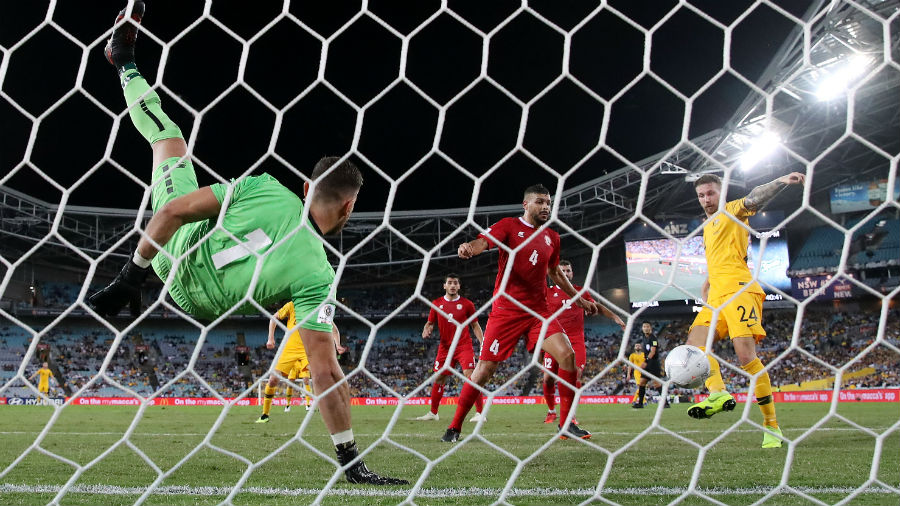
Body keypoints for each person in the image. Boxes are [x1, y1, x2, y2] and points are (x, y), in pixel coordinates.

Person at [87, 2, 406, 485]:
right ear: (346, 210)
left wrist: (131, 277)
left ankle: (125, 64)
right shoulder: (318, 272)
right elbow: (324, 372)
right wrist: (352, 464)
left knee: (168, 139)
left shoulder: (264, 187)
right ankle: (353, 465)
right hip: (198, 300)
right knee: (320, 364)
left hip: (171, 254)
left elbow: (171, 211)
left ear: (305, 187)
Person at [441, 184, 625, 443]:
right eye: (540, 201)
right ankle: (454, 427)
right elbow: (483, 241)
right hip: (507, 310)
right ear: (526, 205)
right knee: (484, 371)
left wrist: (579, 299)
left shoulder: (552, 237)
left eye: (548, 202)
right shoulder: (508, 226)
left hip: (539, 311)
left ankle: (566, 423)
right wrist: (469, 248)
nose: (546, 207)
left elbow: (555, 273)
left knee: (568, 356)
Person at [686, 172, 804, 449]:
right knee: (694, 346)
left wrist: (780, 182)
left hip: (740, 290)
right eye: (701, 195)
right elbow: (722, 259)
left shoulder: (731, 211)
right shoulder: (708, 224)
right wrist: (707, 285)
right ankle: (718, 393)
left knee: (745, 356)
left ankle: (771, 426)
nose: (706, 199)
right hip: (717, 295)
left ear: (721, 191)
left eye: (710, 193)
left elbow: (754, 198)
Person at [541, 260, 611, 423]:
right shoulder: (547, 291)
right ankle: (551, 411)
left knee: (575, 375)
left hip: (575, 341)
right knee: (548, 379)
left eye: (568, 271)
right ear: (555, 274)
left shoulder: (581, 292)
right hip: (554, 340)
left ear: (572, 273)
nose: (565, 274)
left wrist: (614, 317)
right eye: (562, 271)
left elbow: (596, 307)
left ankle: (570, 414)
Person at [416, 274, 486, 422]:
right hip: (445, 347)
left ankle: (480, 413)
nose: (453, 285)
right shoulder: (436, 303)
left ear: (459, 286)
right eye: (450, 283)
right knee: (439, 377)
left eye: (455, 283)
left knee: (472, 377)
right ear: (445, 286)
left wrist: (482, 342)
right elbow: (430, 323)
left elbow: (475, 325)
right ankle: (433, 413)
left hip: (463, 346)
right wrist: (426, 329)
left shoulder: (467, 304)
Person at [256, 301, 334, 423]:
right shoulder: (292, 305)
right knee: (272, 380)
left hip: (308, 350)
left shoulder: (318, 306)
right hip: (289, 349)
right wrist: (270, 338)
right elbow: (274, 318)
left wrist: (337, 344)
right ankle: (265, 414)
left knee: (320, 376)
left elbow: (331, 327)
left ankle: (326, 409)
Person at [634, 321, 669, 409]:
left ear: (650, 328)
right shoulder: (644, 338)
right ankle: (640, 403)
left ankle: (666, 403)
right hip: (647, 363)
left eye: (647, 326)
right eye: (644, 326)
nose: (646, 328)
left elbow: (653, 352)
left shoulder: (653, 339)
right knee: (642, 383)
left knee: (657, 384)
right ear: (642, 328)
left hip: (653, 363)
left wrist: (646, 361)